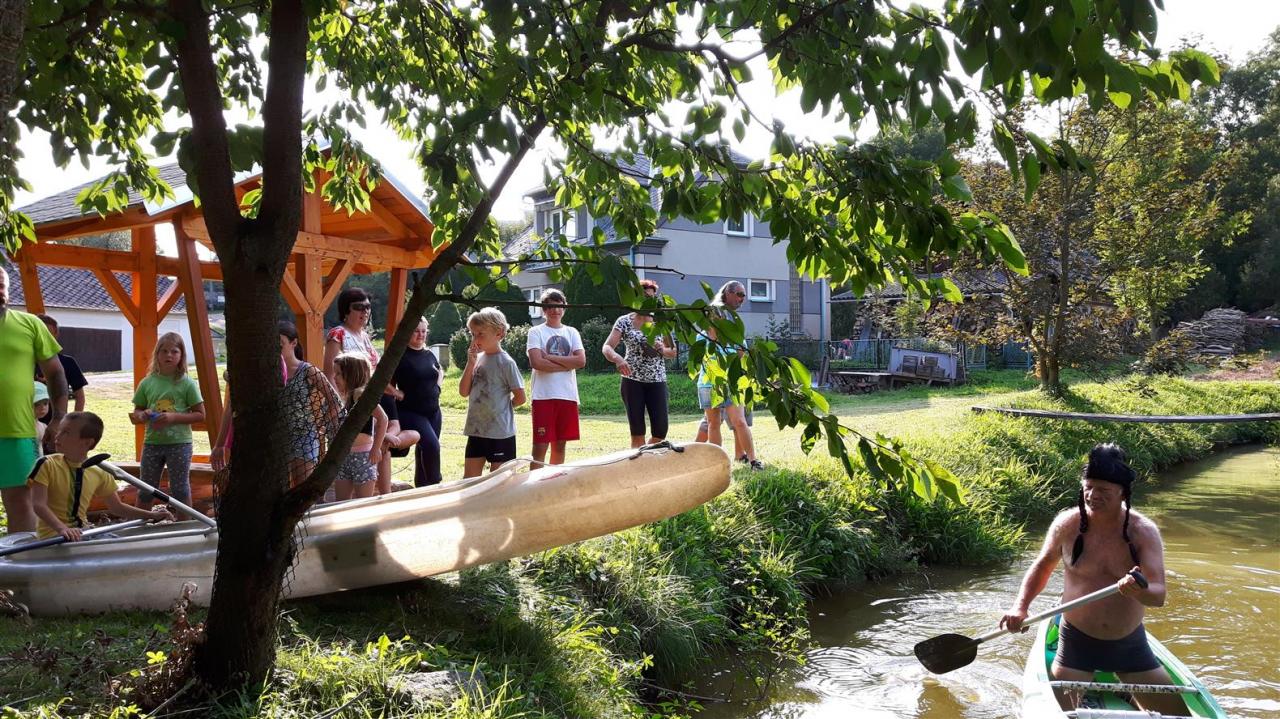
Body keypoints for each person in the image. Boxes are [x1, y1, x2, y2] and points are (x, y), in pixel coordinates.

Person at [999, 444, 1182, 715]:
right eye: (1088, 487)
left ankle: (1126, 690)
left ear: (1123, 492)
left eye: (1103, 490)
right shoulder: (1067, 525)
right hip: (1077, 643)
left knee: (1178, 716)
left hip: (1129, 643)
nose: (1093, 496)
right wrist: (1020, 607)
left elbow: (1158, 596)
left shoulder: (1143, 532)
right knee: (1062, 714)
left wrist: (1137, 590)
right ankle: (1118, 690)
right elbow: (1042, 567)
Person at [323, 287, 417, 494]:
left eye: (367, 307)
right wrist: (339, 403)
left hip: (375, 396)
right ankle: (379, 490)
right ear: (345, 310)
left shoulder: (365, 336)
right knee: (375, 445)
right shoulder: (338, 334)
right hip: (354, 401)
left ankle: (384, 494)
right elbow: (330, 373)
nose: (365, 311)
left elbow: (374, 372)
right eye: (359, 307)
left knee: (386, 443)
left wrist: (393, 391)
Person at [28, 411, 172, 541]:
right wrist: (62, 529)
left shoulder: (99, 470)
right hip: (53, 537)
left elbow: (117, 507)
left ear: (87, 442)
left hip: (83, 532)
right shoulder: (46, 464)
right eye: (59, 430)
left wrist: (152, 515)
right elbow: (38, 505)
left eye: (66, 432)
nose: (57, 436)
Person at [1, 266, 68, 534]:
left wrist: (58, 418)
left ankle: (22, 560)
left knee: (21, 503)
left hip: (18, 432)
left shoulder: (30, 324)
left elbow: (56, 373)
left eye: (2, 286)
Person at [129, 332, 205, 508]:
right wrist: (142, 415)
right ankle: (143, 521)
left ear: (181, 355)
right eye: (164, 351)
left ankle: (184, 523)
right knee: (146, 488)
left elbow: (200, 414)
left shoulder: (187, 383)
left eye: (174, 351)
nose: (168, 355)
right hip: (152, 443)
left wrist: (173, 417)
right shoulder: (147, 382)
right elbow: (137, 410)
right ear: (157, 354)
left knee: (180, 489)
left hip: (180, 444)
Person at [603, 279, 677, 448]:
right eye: (643, 297)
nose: (646, 301)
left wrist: (662, 349)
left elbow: (673, 352)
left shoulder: (660, 322)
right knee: (637, 432)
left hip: (657, 380)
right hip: (632, 381)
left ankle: (644, 455)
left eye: (650, 297)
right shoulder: (624, 321)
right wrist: (618, 359)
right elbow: (607, 347)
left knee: (660, 432)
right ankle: (638, 461)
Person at [695, 281, 761, 470]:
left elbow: (742, 357)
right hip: (709, 383)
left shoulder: (735, 334)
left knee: (739, 421)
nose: (742, 299)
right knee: (713, 423)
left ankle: (753, 460)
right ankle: (716, 464)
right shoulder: (703, 336)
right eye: (739, 294)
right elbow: (703, 358)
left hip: (732, 383)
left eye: (744, 296)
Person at [459, 308, 525, 478]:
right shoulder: (477, 359)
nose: (475, 339)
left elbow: (521, 397)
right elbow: (464, 392)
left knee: (500, 481)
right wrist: (470, 363)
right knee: (469, 481)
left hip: (500, 433)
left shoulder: (506, 363)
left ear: (499, 333)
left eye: (480, 334)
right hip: (476, 430)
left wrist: (502, 408)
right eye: (472, 334)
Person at [279, 322, 343, 488]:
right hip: (277, 437)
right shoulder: (271, 373)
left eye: (280, 345)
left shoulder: (307, 370)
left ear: (293, 343)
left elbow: (335, 401)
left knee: (302, 488)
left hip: (304, 437)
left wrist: (319, 425)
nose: (276, 350)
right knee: (280, 489)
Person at [526, 289, 585, 465]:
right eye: (550, 306)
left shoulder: (572, 332)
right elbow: (537, 362)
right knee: (540, 445)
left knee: (560, 445)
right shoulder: (535, 332)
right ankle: (536, 480)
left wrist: (550, 357)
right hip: (543, 396)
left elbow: (580, 361)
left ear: (564, 308)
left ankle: (554, 479)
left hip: (567, 395)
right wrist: (567, 364)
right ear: (544, 310)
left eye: (559, 306)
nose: (555, 310)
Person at [390, 317, 445, 487]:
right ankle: (436, 486)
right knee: (432, 447)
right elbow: (379, 379)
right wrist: (396, 392)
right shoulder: (398, 355)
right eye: (416, 331)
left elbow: (439, 370)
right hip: (411, 411)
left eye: (424, 331)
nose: (421, 335)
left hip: (433, 411)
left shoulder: (429, 354)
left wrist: (438, 385)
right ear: (407, 332)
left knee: (425, 449)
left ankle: (422, 488)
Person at [330, 352, 387, 500]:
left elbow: (383, 419)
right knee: (341, 503)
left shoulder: (359, 394)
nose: (334, 377)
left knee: (363, 504)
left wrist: (376, 448)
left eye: (338, 374)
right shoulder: (347, 396)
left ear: (352, 375)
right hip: (345, 456)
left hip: (363, 457)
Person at [33, 314, 89, 425]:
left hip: (56, 424)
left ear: (55, 335)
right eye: (39, 332)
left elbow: (80, 397)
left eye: (47, 333)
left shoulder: (68, 362)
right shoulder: (24, 362)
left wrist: (73, 423)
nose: (43, 336)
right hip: (26, 424)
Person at [33, 381, 50, 456]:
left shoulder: (44, 426)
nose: (42, 408)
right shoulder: (22, 426)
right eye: (36, 404)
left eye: (45, 403)